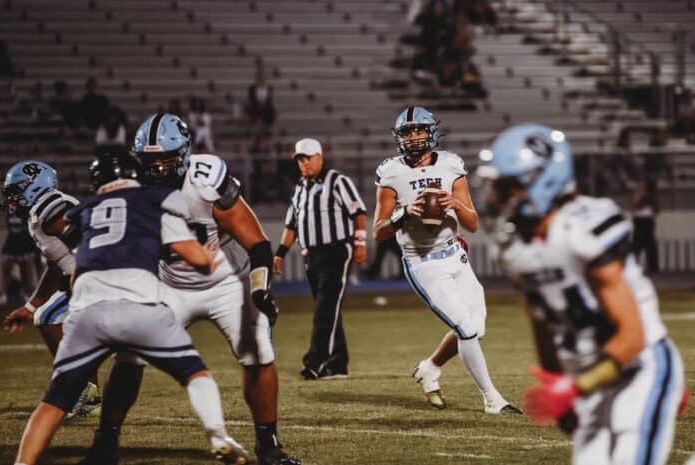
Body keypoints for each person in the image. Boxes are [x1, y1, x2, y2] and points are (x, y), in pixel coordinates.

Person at [81, 114, 300, 465]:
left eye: (165, 158)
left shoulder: (205, 181)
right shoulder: (133, 189)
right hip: (169, 283)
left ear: (183, 155)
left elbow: (258, 243)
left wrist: (259, 291)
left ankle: (269, 444)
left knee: (257, 352)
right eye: (149, 160)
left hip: (228, 282)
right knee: (128, 355)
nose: (156, 168)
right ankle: (105, 442)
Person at [12, 152, 250, 465]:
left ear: (98, 182)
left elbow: (75, 271)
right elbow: (193, 256)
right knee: (196, 374)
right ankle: (218, 436)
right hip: (140, 307)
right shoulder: (154, 200)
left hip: (88, 312)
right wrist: (206, 256)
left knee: (54, 403)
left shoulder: (86, 209)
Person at [478, 123, 685, 464]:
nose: (494, 198)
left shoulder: (584, 227)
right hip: (590, 376)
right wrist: (557, 379)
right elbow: (542, 320)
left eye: (505, 187)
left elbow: (633, 336)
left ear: (541, 181)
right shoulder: (513, 249)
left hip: (639, 368)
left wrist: (574, 388)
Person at [372, 106, 520, 414]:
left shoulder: (452, 165)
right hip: (423, 261)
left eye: (419, 131)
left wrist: (455, 203)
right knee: (465, 329)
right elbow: (379, 232)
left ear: (431, 132)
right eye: (407, 133)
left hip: (456, 255)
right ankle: (492, 398)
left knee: (476, 327)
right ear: (399, 138)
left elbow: (473, 223)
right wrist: (402, 214)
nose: (413, 138)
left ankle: (430, 366)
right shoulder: (392, 172)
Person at [2, 160, 102, 418]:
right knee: (50, 318)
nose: (11, 197)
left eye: (16, 190)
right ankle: (86, 395)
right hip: (84, 278)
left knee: (48, 318)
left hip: (95, 277)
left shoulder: (52, 208)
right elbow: (55, 266)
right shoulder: (39, 212)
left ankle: (77, 389)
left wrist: (84, 280)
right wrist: (29, 305)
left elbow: (89, 242)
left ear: (34, 187)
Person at [273, 138, 367, 380]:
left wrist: (360, 243)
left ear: (320, 158)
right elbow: (291, 224)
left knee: (325, 308)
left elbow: (358, 213)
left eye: (307, 158)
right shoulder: (300, 188)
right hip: (311, 256)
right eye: (300, 160)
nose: (303, 164)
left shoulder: (338, 182)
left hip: (336, 251)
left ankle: (315, 361)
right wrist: (280, 254)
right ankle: (338, 364)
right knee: (329, 309)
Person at [1, 210, 40, 303]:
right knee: (6, 267)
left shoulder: (25, 211)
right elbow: (9, 226)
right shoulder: (9, 211)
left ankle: (26, 293)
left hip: (24, 242)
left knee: (24, 269)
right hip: (12, 241)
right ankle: (3, 294)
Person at [632, 178, 659, 274]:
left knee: (646, 244)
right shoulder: (646, 195)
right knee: (639, 245)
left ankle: (652, 268)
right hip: (641, 220)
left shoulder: (649, 196)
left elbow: (637, 204)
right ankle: (635, 265)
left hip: (645, 220)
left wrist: (639, 195)